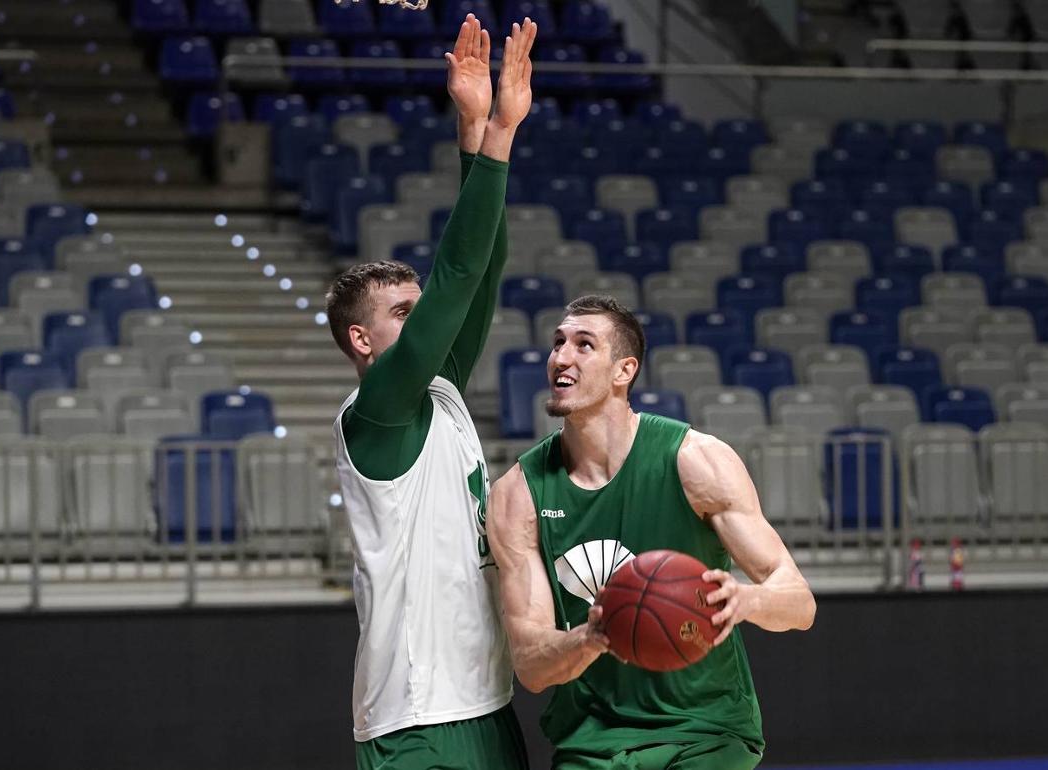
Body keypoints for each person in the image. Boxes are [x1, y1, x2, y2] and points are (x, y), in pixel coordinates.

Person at [324, 15, 537, 770]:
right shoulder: (375, 413)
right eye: (402, 315)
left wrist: (477, 130)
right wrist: (497, 140)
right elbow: (453, 277)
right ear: (362, 340)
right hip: (415, 718)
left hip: (485, 701)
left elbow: (476, 276)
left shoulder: (440, 396)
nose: (426, 323)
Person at [487, 295, 817, 770]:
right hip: (593, 742)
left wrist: (744, 601)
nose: (561, 356)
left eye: (584, 345)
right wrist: (590, 638)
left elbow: (799, 603)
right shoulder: (518, 494)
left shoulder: (695, 460)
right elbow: (533, 666)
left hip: (706, 731)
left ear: (624, 371)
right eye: (558, 343)